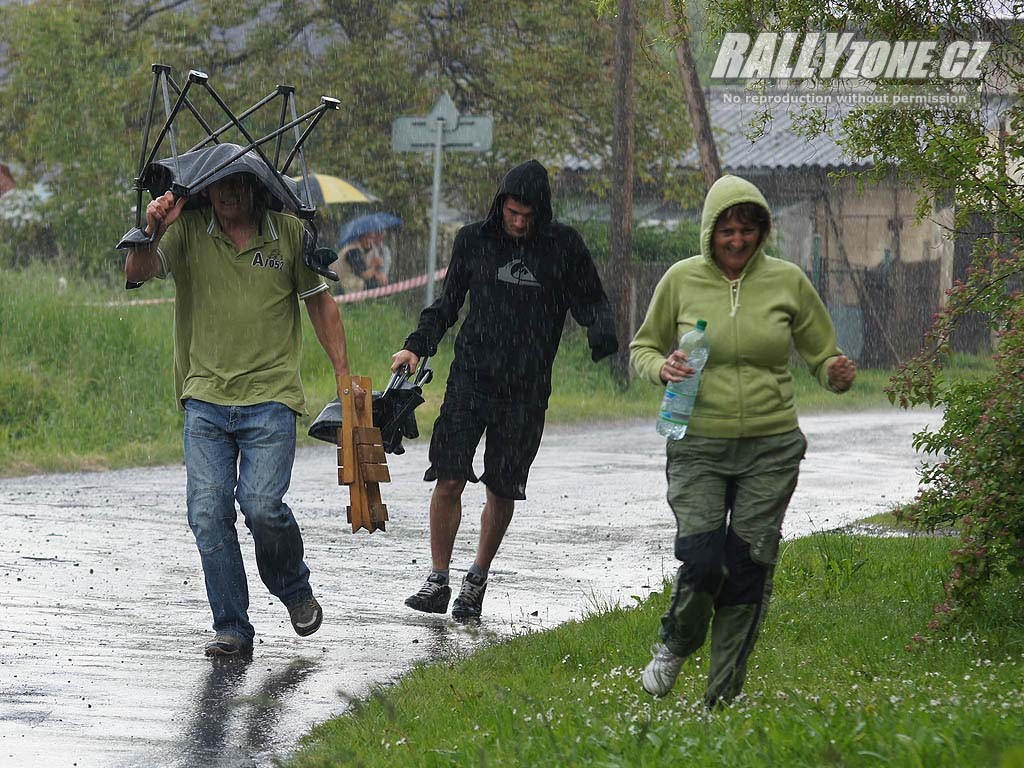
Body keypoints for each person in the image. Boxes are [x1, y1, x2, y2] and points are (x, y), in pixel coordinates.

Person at [629, 174, 857, 705]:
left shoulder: (788, 281)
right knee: (705, 560)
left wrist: (834, 372)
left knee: (748, 568)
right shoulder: (680, 280)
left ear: (761, 231)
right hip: (698, 445)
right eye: (726, 230)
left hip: (770, 446)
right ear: (710, 232)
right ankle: (675, 643)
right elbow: (642, 347)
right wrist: (661, 367)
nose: (736, 241)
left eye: (746, 230)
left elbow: (822, 352)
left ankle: (721, 699)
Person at [124, 171, 361, 657]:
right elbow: (135, 272)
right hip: (205, 397)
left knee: (260, 506)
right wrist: (152, 230)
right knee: (209, 514)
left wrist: (344, 379)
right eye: (218, 185)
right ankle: (232, 626)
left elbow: (320, 305)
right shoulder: (187, 230)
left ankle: (294, 589)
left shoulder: (288, 233)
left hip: (271, 398)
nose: (229, 193)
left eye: (239, 184)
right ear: (205, 190)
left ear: (255, 188)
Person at [391, 159, 618, 621]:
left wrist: (602, 332)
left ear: (542, 213)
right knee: (449, 474)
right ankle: (437, 579)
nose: (518, 223)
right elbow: (448, 302)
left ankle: (476, 579)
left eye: (527, 216)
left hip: (526, 390)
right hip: (471, 378)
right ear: (500, 206)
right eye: (512, 213)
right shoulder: (475, 239)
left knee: (503, 486)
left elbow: (590, 299)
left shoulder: (563, 246)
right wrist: (417, 346)